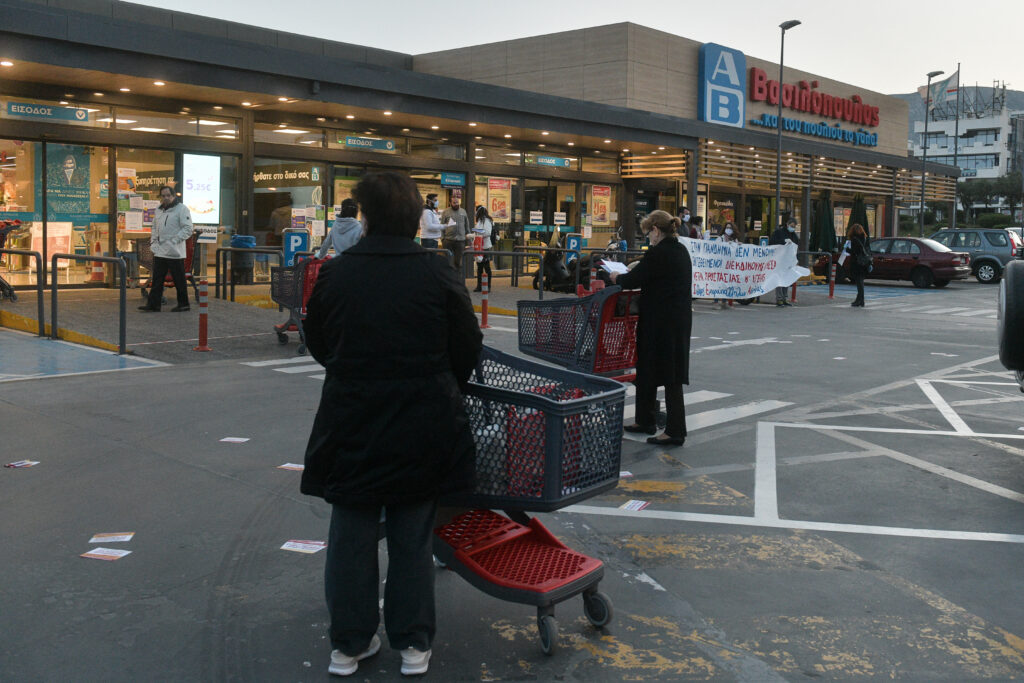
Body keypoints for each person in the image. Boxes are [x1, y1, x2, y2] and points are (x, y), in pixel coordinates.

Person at [301, 171, 482, 678]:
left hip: (352, 414)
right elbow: (466, 345)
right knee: (412, 532)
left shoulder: (337, 273)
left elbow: (319, 341)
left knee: (352, 530)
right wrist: (438, 380)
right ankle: (413, 642)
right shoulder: (438, 270)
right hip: (423, 414)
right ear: (413, 217)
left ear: (366, 215)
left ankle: (349, 643)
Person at [609, 210, 692, 447]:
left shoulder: (660, 252)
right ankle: (644, 420)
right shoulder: (680, 250)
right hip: (673, 320)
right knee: (648, 369)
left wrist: (616, 275)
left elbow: (632, 280)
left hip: (662, 323)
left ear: (656, 230)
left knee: (670, 375)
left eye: (648, 233)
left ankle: (675, 431)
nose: (648, 238)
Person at [139, 185, 193, 313]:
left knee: (179, 280)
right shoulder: (158, 210)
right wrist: (153, 242)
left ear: (173, 195)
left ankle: (184, 304)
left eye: (168, 195)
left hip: (175, 252)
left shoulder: (182, 209)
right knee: (157, 279)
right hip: (160, 251)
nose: (166, 198)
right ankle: (153, 304)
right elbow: (154, 227)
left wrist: (173, 241)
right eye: (163, 196)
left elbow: (188, 229)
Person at [769, 218, 798, 307]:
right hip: (779, 260)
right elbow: (772, 243)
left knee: (786, 280)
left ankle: (785, 298)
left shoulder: (794, 236)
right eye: (791, 226)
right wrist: (783, 242)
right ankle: (779, 299)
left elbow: (796, 247)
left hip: (788, 261)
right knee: (779, 279)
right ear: (787, 224)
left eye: (794, 226)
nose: (792, 228)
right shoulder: (779, 233)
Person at [844, 223, 871, 307]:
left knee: (859, 283)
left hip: (857, 263)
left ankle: (860, 300)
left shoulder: (854, 239)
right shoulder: (865, 238)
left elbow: (854, 251)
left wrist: (847, 249)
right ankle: (859, 300)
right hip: (864, 262)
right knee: (860, 282)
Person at [441, 196, 470, 269]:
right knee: (447, 261)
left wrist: (468, 237)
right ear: (450, 203)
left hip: (460, 241)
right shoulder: (446, 212)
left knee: (458, 262)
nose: (456, 204)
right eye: (454, 203)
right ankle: (448, 277)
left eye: (457, 202)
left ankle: (457, 278)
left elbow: (467, 225)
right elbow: (441, 226)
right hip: (448, 240)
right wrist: (442, 239)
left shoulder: (463, 211)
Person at [472, 205, 493, 292]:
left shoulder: (487, 221)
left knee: (486, 267)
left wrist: (477, 231)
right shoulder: (480, 221)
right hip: (479, 246)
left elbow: (488, 232)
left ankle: (488, 286)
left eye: (476, 211)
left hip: (485, 247)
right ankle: (479, 286)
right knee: (479, 267)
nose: (475, 213)